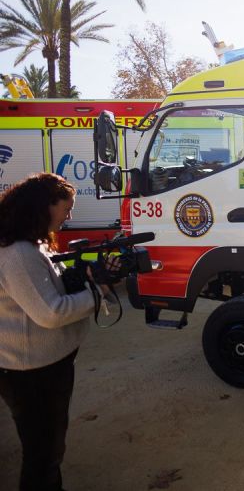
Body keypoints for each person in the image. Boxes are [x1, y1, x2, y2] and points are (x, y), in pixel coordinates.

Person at [0, 173, 111, 491]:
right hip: (30, 373)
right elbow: (51, 312)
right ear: (42, 207)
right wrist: (99, 291)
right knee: (42, 453)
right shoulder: (19, 255)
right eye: (67, 207)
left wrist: (80, 278)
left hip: (42, 367)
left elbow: (49, 291)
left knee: (49, 449)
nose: (69, 215)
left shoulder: (31, 246)